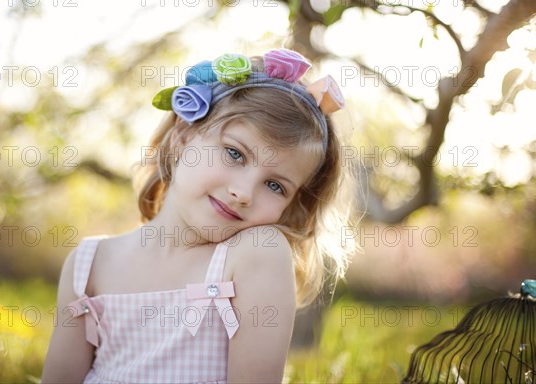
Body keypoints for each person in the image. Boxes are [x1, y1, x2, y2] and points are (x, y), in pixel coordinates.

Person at [42, 49, 356, 383]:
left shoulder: (256, 254)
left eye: (275, 186)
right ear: (183, 137)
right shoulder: (88, 265)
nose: (244, 192)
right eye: (235, 153)